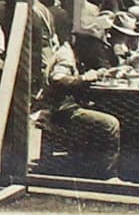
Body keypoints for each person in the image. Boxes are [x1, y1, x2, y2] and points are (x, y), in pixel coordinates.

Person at [37, 22, 120, 179]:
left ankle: (90, 167)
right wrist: (83, 78)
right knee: (111, 124)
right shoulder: (66, 55)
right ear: (84, 42)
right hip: (62, 110)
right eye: (94, 44)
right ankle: (108, 175)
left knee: (110, 111)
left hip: (69, 106)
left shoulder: (75, 53)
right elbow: (58, 79)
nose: (96, 49)